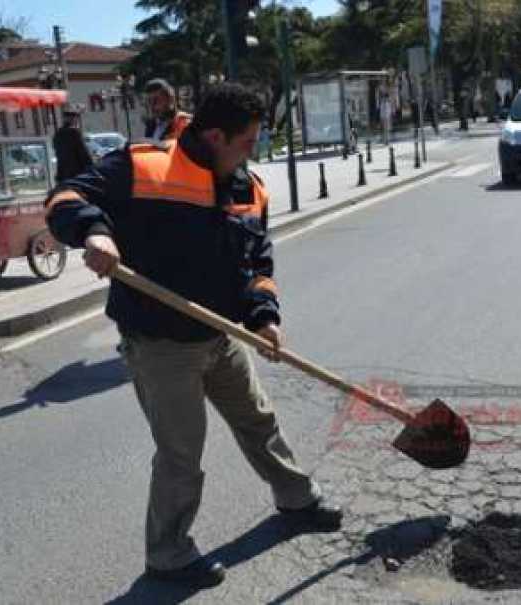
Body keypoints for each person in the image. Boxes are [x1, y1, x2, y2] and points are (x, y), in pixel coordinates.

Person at [44, 83, 342, 590]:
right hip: (160, 345)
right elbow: (65, 196)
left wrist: (263, 312)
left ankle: (297, 498)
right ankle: (168, 554)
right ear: (214, 135)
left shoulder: (249, 188)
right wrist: (94, 230)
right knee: (181, 453)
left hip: (220, 336)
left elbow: (257, 262)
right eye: (245, 141)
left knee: (259, 421)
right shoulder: (144, 168)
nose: (253, 151)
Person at [52, 110, 93, 182]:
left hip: (63, 171)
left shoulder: (58, 133)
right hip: (76, 171)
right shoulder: (74, 133)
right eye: (74, 118)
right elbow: (82, 152)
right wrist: (90, 165)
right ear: (73, 119)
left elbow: (56, 150)